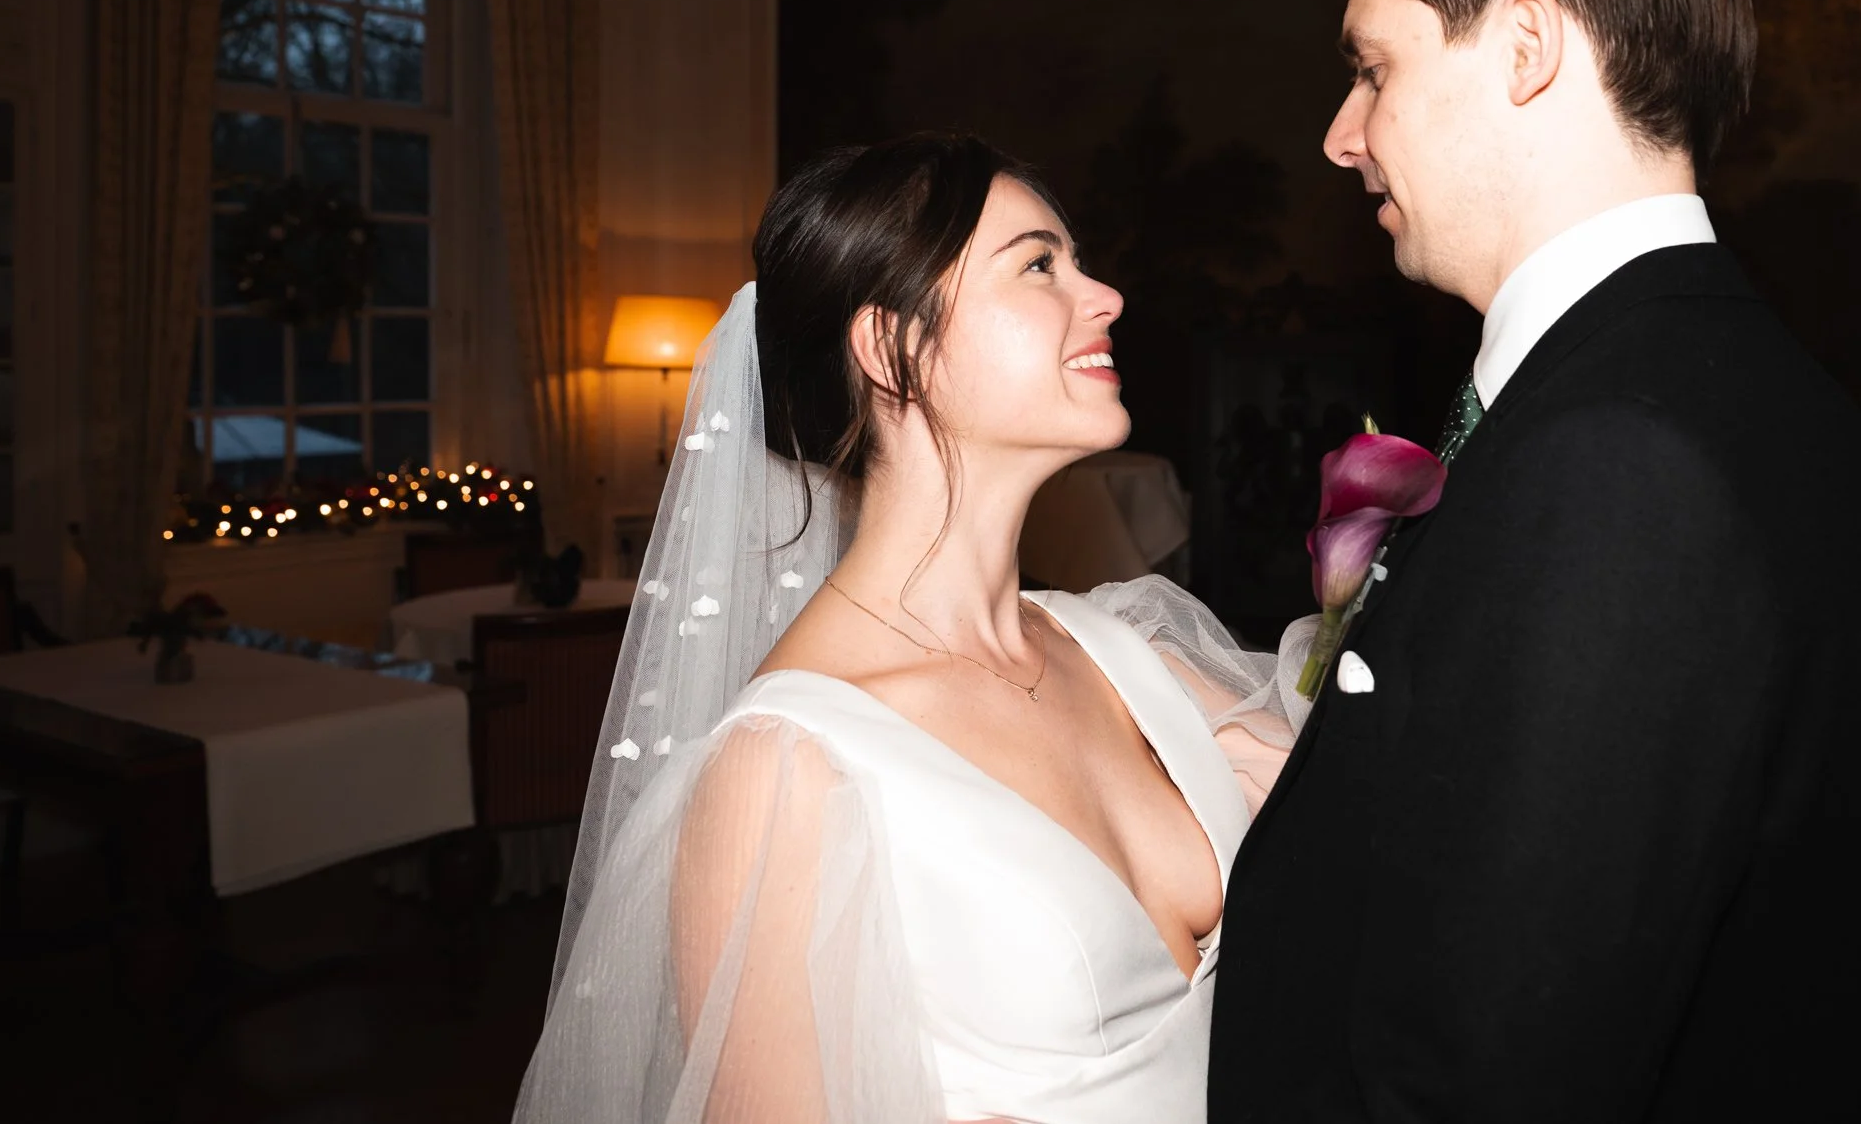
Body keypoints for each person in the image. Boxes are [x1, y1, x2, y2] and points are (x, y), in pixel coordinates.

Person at [1210, 0, 1861, 1121]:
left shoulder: (1622, 463)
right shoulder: (1723, 386)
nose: (1341, 132)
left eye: (1374, 67)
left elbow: (1486, 1070)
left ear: (1527, 47)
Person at [517, 134, 1313, 1124]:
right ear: (895, 348)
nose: (1103, 294)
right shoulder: (788, 768)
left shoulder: (1124, 651)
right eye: (1038, 264)